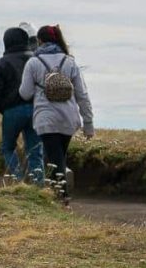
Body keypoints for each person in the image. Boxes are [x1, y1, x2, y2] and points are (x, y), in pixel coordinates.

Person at [18, 25, 94, 205]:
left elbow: (25, 93)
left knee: (54, 157)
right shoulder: (69, 62)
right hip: (69, 117)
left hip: (46, 117)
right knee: (57, 155)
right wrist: (88, 123)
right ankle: (56, 188)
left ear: (39, 41)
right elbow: (82, 94)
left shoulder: (34, 63)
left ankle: (62, 196)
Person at [0, 27, 43, 183]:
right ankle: (38, 184)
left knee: (8, 147)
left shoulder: (1, 63)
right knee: (35, 150)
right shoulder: (35, 60)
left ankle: (17, 180)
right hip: (35, 109)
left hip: (12, 111)